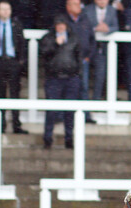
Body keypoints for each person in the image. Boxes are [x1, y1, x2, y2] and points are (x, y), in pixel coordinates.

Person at [40, 15, 81, 149]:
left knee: (69, 112)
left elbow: (79, 56)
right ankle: (47, 138)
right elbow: (43, 53)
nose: (61, 26)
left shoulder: (74, 38)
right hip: (54, 78)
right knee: (51, 111)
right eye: (58, 24)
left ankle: (69, 139)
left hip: (71, 78)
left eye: (63, 24)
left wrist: (76, 73)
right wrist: (55, 44)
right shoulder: (48, 38)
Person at [0, 0, 27, 134]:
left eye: (8, 9)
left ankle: (16, 125)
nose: (6, 12)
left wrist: (20, 62)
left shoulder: (16, 24)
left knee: (15, 94)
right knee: (0, 94)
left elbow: (22, 44)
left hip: (13, 62)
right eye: (3, 9)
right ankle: (0, 125)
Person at [65, 0, 97, 123]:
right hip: (69, 62)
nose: (78, 6)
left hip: (83, 61)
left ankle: (86, 116)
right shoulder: (63, 20)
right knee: (68, 88)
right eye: (75, 4)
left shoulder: (85, 20)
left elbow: (92, 40)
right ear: (68, 7)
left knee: (83, 87)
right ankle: (66, 116)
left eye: (78, 4)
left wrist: (89, 56)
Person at [85, 0, 120, 106]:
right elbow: (83, 26)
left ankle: (96, 102)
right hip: (87, 48)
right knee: (84, 77)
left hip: (101, 49)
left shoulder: (111, 10)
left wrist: (107, 29)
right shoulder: (87, 9)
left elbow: (116, 27)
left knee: (100, 75)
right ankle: (84, 104)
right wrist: (95, 29)